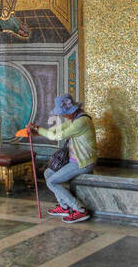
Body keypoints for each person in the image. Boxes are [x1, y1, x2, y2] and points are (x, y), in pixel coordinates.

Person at [31, 94, 97, 223]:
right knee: (48, 173)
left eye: (64, 113)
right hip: (73, 161)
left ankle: (80, 210)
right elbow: (56, 130)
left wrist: (38, 129)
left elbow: (58, 136)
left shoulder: (81, 121)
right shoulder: (73, 119)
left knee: (52, 182)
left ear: (71, 110)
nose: (63, 116)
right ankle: (65, 206)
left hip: (83, 162)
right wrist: (38, 131)